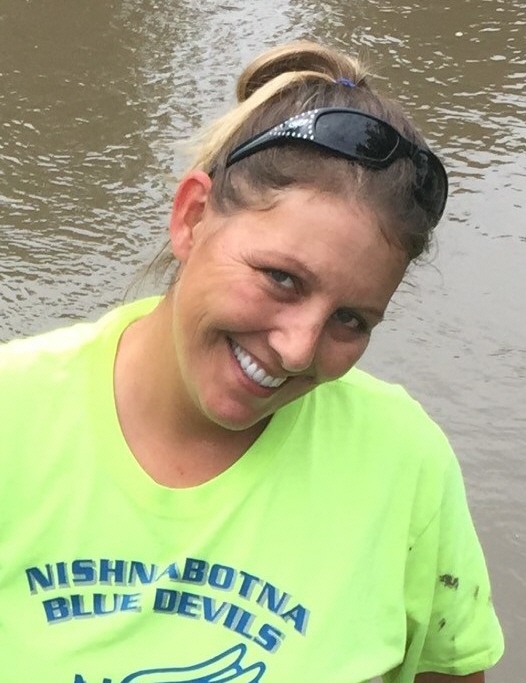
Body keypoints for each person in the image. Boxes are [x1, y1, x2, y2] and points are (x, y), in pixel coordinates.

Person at [0, 41, 503, 683]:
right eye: (282, 278)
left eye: (351, 320)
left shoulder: (406, 466)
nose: (298, 349)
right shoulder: (13, 417)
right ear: (191, 217)